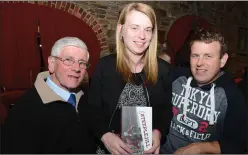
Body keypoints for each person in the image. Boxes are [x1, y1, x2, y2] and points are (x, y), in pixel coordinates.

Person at [88, 2, 172, 154]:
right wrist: (105, 135)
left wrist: (158, 132)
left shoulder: (163, 70)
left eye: (148, 29)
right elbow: (92, 110)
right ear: (121, 30)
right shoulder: (104, 67)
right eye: (134, 28)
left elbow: (165, 111)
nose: (142, 36)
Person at [160, 27, 247, 154]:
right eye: (195, 56)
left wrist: (199, 148)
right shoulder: (176, 77)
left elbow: (237, 143)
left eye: (208, 56)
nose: (200, 63)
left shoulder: (232, 96)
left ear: (222, 60)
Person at [1, 37, 95, 153]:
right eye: (68, 60)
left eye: (82, 63)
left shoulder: (84, 100)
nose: (76, 68)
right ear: (52, 63)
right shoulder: (26, 110)